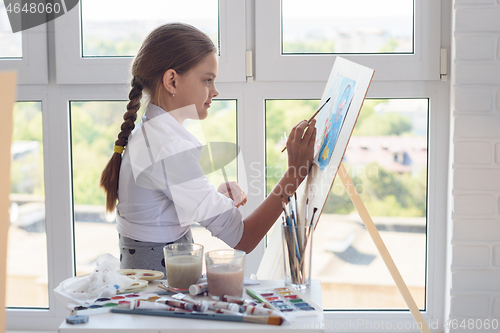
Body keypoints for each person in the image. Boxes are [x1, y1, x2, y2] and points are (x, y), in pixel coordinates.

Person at [100, 23, 316, 274]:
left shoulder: (150, 133)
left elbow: (161, 208)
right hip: (156, 295)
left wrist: (214, 197)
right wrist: (295, 174)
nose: (215, 91)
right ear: (171, 81)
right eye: (207, 80)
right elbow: (243, 238)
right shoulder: (168, 147)